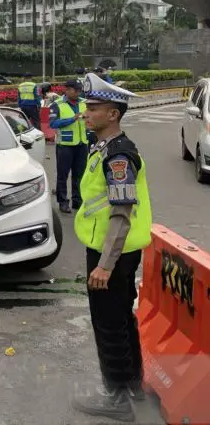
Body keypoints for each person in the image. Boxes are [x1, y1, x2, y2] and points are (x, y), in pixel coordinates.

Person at [71, 73, 152, 422]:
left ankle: (117, 397)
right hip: (113, 251)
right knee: (120, 318)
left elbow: (121, 214)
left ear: (113, 114)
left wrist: (104, 264)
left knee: (107, 323)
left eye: (93, 107)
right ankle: (132, 384)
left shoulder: (118, 156)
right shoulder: (103, 146)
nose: (85, 112)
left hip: (112, 253)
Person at [49, 79, 89, 214]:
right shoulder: (57, 104)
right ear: (67, 90)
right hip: (65, 145)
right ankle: (63, 202)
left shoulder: (84, 103)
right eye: (75, 90)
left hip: (82, 143)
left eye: (79, 90)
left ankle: (77, 201)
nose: (78, 92)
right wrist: (72, 119)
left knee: (79, 174)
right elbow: (53, 124)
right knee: (63, 175)